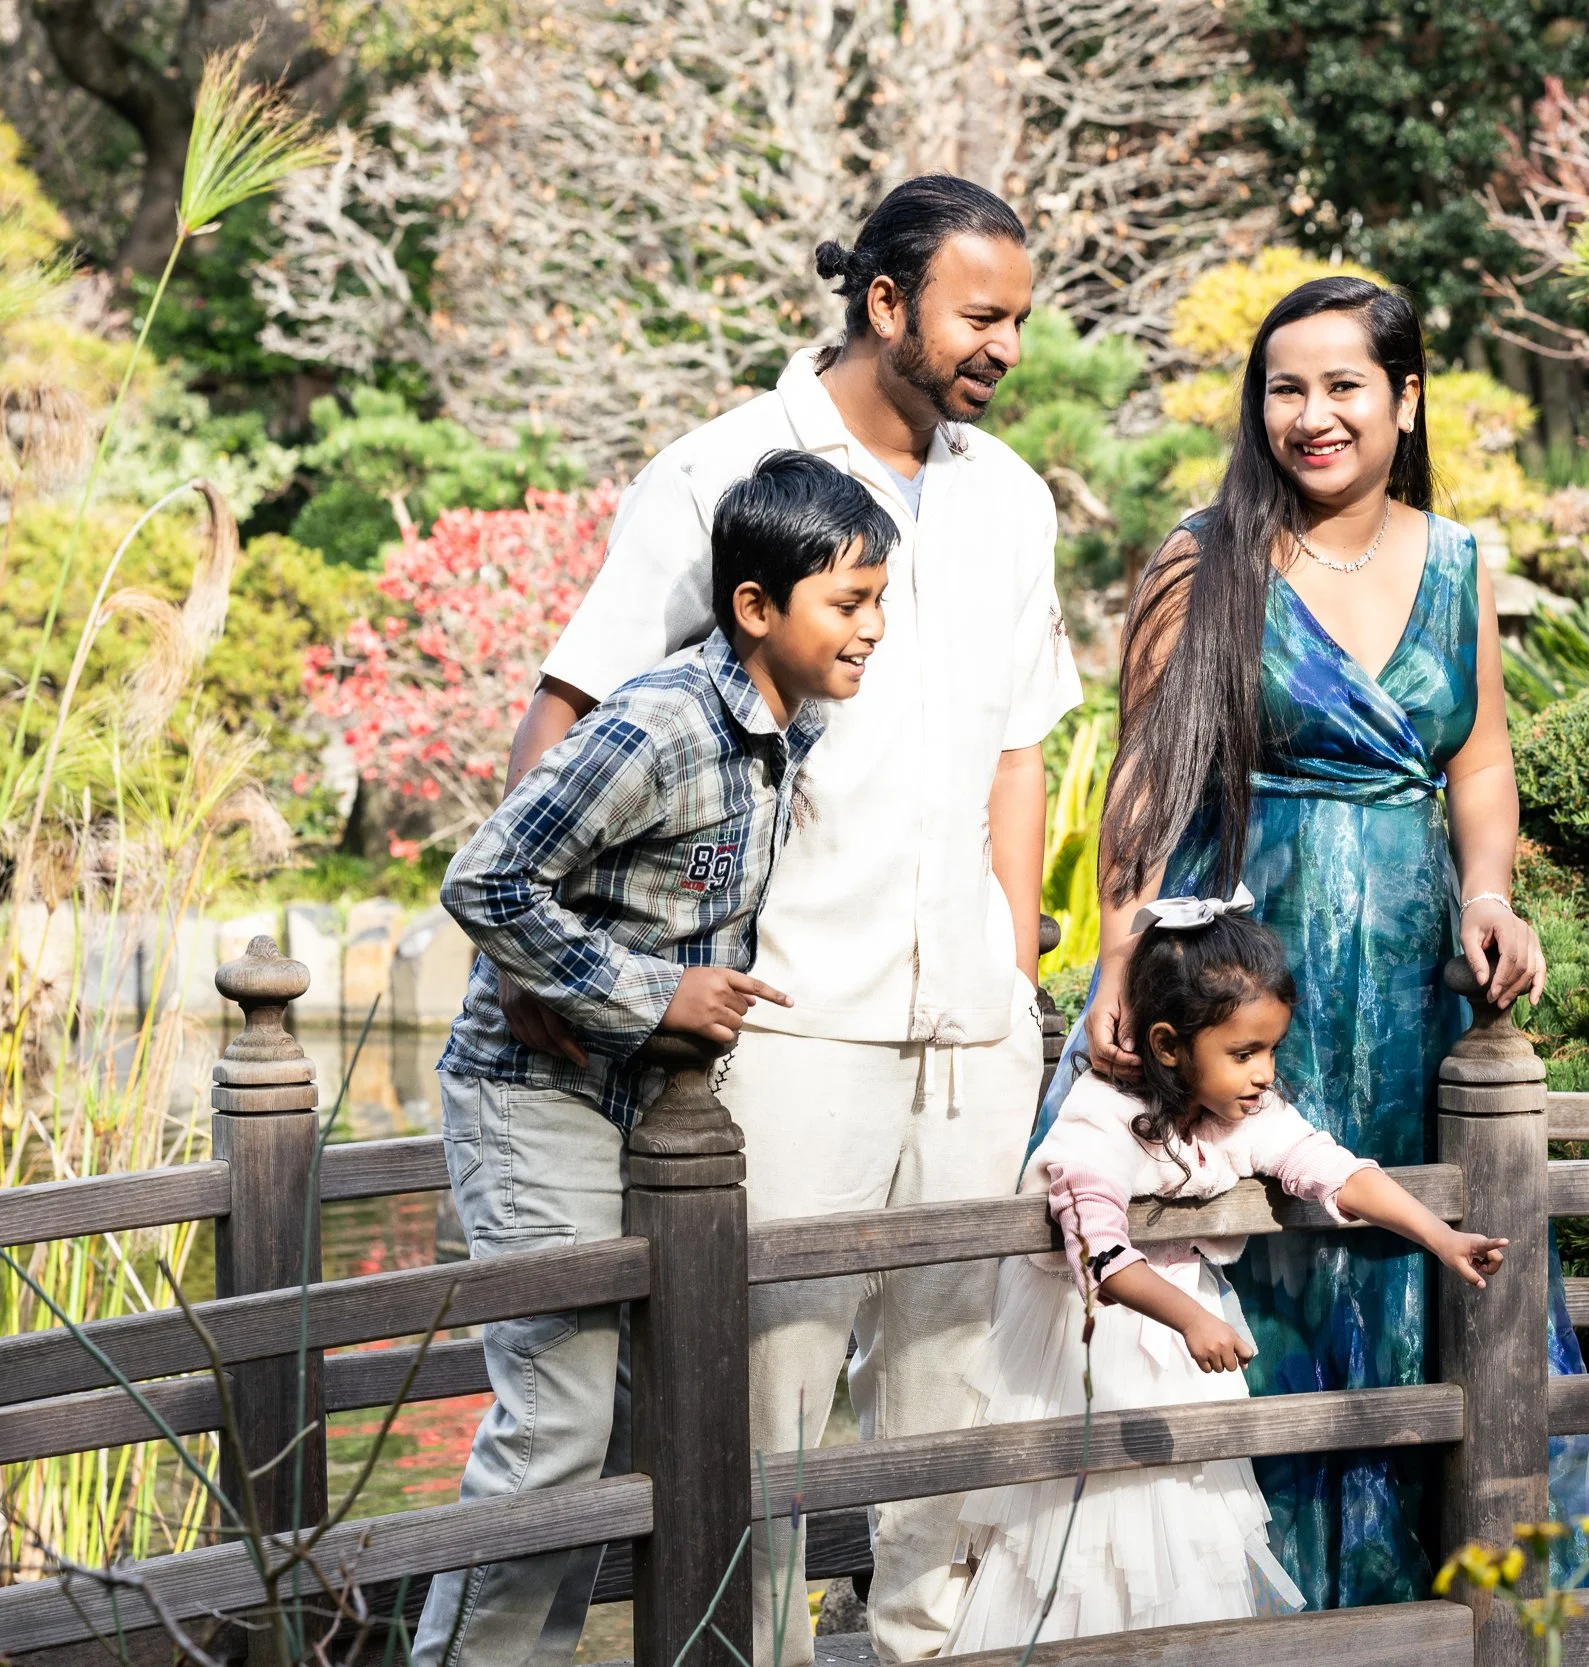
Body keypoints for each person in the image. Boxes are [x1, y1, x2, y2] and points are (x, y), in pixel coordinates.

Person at [496, 175, 1080, 1665]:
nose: (1006, 344)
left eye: (1021, 315)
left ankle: (917, 1647)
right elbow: (570, 712)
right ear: (885, 303)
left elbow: (1024, 746)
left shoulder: (1011, 497)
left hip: (971, 1024)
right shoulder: (723, 467)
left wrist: (1014, 967)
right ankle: (735, 1654)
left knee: (956, 1376)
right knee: (763, 1387)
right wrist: (561, 974)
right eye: (980, 314)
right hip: (784, 1018)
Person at [1039, 275, 1589, 1601]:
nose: (1313, 415)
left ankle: (1462, 1599)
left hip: (1413, 990)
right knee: (1265, 1257)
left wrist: (1489, 892)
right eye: (1284, 387)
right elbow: (1147, 777)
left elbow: (1478, 758)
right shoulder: (1205, 560)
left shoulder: (1460, 557)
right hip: (1253, 979)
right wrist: (1124, 958)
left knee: (1415, 1248)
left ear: (1405, 398)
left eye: (1345, 385)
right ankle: (1271, 1607)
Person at [416, 451, 897, 1667]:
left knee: (669, 1416)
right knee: (559, 1421)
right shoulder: (661, 721)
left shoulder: (798, 725)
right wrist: (649, 991)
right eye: (848, 603)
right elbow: (483, 878)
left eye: (879, 600)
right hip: (538, 1095)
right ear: (755, 607)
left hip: (650, 1114)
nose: (872, 630)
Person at [946, 896, 1507, 1651]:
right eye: (1245, 1052)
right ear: (1169, 1044)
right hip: (1095, 1343)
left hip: (1182, 1341)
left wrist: (1442, 1237)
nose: (1264, 1073)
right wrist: (1189, 1316)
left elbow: (1331, 1171)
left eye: (1271, 1049)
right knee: (1091, 1531)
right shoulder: (1098, 1121)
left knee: (1188, 1517)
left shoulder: (1243, 1111)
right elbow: (1099, 1253)